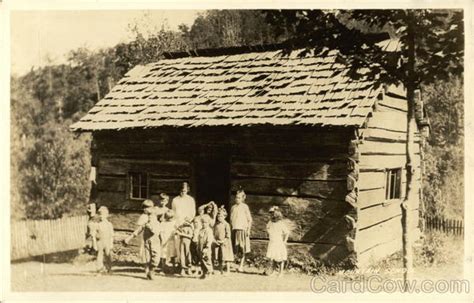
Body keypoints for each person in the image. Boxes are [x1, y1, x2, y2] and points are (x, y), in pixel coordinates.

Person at [123, 199, 161, 280]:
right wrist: (129, 238)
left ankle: (152, 270)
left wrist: (151, 227)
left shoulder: (155, 217)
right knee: (146, 257)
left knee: (156, 257)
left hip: (155, 240)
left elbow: (156, 230)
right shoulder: (144, 217)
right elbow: (139, 229)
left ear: (152, 208)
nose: (145, 209)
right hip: (146, 240)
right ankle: (147, 272)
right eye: (144, 208)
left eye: (147, 208)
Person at [171, 182, 196, 262]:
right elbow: (173, 212)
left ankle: (187, 262)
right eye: (181, 191)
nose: (183, 192)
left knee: (187, 243)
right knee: (177, 242)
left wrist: (189, 219)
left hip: (187, 224)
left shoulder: (190, 200)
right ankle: (178, 261)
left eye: (184, 191)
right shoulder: (175, 200)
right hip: (178, 223)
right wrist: (176, 223)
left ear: (187, 190)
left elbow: (193, 212)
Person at [230, 189, 252, 272]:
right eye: (236, 197)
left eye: (239, 198)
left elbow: (249, 219)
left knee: (242, 248)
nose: (237, 199)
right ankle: (233, 264)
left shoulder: (245, 207)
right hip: (234, 229)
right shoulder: (233, 207)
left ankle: (241, 265)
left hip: (242, 229)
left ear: (243, 198)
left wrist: (248, 230)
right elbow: (232, 219)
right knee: (234, 247)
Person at [265, 206, 290, 277]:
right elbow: (267, 228)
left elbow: (287, 232)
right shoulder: (270, 222)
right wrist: (269, 233)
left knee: (280, 258)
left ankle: (281, 272)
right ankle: (273, 271)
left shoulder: (280, 223)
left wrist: (285, 241)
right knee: (273, 257)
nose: (271, 215)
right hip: (272, 242)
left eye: (273, 214)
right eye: (271, 214)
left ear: (277, 214)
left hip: (278, 242)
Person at [213, 206, 234, 275]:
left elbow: (228, 235)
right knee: (220, 256)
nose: (219, 218)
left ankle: (228, 270)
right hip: (217, 242)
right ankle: (221, 270)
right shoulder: (216, 224)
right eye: (218, 216)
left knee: (226, 257)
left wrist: (223, 241)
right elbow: (213, 233)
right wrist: (215, 240)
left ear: (224, 216)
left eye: (221, 216)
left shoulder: (226, 224)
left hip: (225, 243)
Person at [94, 206, 114, 274]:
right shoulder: (97, 224)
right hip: (100, 242)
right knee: (100, 256)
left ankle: (109, 269)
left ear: (106, 215)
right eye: (99, 214)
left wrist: (111, 243)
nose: (101, 216)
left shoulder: (109, 224)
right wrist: (95, 244)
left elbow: (111, 235)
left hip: (107, 242)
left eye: (102, 214)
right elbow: (94, 235)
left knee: (108, 255)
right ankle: (99, 270)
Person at [197, 214, 214, 279]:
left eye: (205, 222)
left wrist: (206, 247)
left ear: (208, 223)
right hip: (200, 247)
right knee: (202, 261)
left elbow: (209, 240)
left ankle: (209, 272)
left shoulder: (209, 230)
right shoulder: (201, 230)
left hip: (206, 248)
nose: (204, 224)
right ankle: (204, 273)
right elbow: (199, 238)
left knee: (207, 260)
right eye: (202, 222)